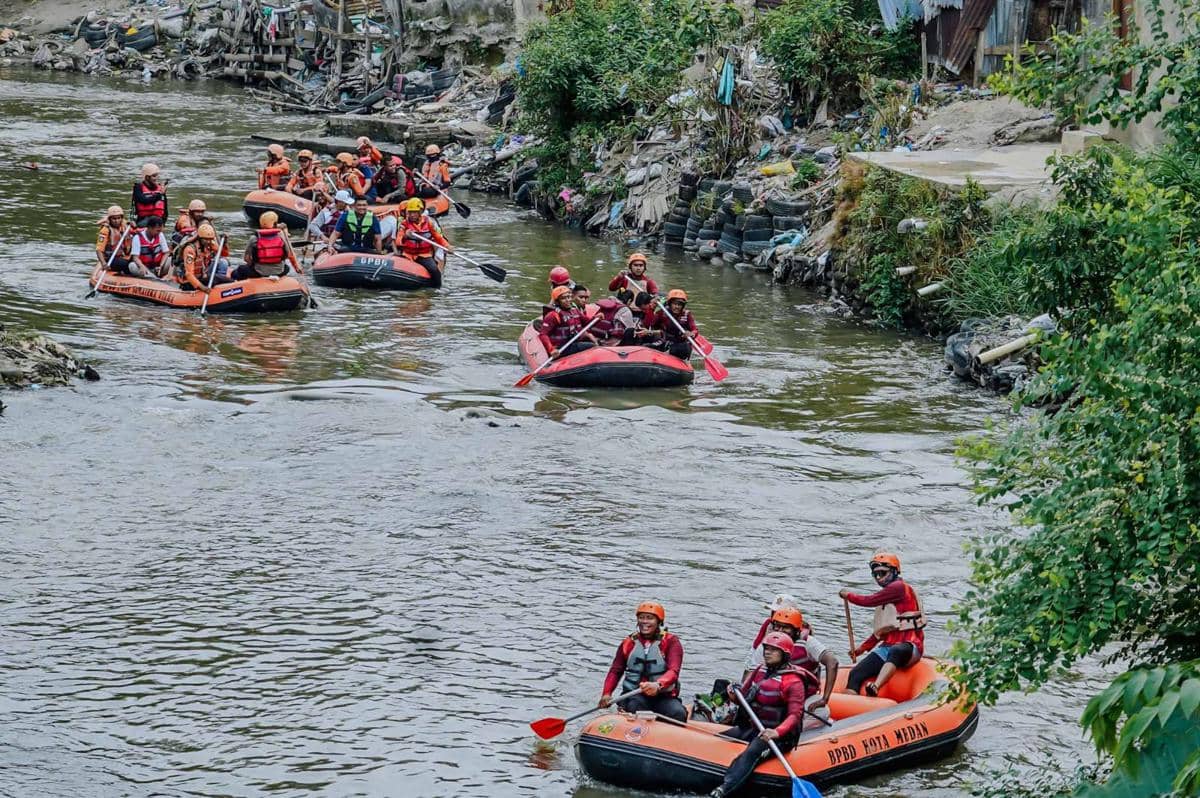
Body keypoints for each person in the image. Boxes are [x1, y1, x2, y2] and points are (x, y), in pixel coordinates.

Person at [708, 632, 818, 798]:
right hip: (756, 728)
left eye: (773, 650)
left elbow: (795, 716)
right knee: (721, 739)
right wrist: (732, 695)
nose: (767, 652)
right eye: (766, 648)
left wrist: (776, 732)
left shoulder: (794, 681)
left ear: (785, 654)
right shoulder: (760, 670)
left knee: (753, 751)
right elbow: (743, 699)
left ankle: (724, 789)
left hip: (780, 736)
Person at [839, 551, 926, 696]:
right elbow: (882, 629)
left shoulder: (898, 588)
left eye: (883, 573)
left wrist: (848, 595)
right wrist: (862, 648)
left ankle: (876, 686)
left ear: (894, 571)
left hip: (910, 646)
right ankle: (852, 708)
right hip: (888, 646)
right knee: (856, 673)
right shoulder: (886, 598)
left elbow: (868, 601)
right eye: (876, 575)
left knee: (897, 650)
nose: (879, 578)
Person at [743, 605, 839, 730]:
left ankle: (790, 731)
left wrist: (825, 699)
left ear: (796, 630)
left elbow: (833, 662)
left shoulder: (808, 643)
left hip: (802, 697)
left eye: (786, 627)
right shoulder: (766, 646)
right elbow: (750, 677)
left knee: (822, 712)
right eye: (777, 626)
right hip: (773, 697)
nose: (780, 630)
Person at [599, 602, 687, 723]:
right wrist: (606, 693)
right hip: (634, 695)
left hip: (663, 696)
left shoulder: (671, 642)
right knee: (636, 707)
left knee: (678, 713)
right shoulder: (628, 643)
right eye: (641, 617)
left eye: (649, 618)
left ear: (659, 622)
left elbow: (674, 671)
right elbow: (616, 670)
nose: (644, 622)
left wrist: (658, 684)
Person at [539, 285, 597, 358]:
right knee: (592, 346)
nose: (568, 300)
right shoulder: (553, 315)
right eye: (563, 298)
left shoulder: (575, 311)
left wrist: (596, 317)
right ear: (557, 302)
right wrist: (551, 349)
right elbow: (543, 335)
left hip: (572, 343)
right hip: (561, 348)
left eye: (568, 297)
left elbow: (588, 323)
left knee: (593, 341)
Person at [395, 198, 450, 271]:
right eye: (410, 212)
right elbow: (398, 241)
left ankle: (437, 281)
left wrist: (447, 246)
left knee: (434, 270)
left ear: (420, 212)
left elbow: (438, 237)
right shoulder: (404, 224)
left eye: (414, 212)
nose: (411, 215)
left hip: (424, 254)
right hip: (408, 254)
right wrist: (405, 236)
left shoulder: (428, 223)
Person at [236, 211, 289, 280]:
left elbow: (246, 259)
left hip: (258, 272)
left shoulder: (254, 238)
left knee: (240, 269)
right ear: (275, 224)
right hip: (279, 272)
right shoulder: (281, 237)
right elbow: (287, 255)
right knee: (287, 268)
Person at [177, 223, 230, 289]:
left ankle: (222, 288)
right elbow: (189, 274)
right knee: (216, 278)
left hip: (203, 276)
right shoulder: (190, 250)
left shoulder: (210, 244)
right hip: (190, 281)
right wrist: (202, 288)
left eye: (210, 239)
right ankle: (229, 283)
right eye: (206, 239)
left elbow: (224, 254)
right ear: (200, 238)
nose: (208, 241)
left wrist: (225, 243)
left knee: (223, 262)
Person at [653, 289, 700, 359]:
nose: (677, 307)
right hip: (665, 341)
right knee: (648, 345)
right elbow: (651, 324)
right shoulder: (662, 313)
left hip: (680, 344)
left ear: (683, 306)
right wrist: (651, 308)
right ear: (670, 304)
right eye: (675, 304)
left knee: (684, 348)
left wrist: (691, 333)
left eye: (679, 304)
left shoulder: (687, 314)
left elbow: (695, 330)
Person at [96, 205, 133, 272]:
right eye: (114, 219)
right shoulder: (106, 230)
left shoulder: (125, 226)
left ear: (121, 218)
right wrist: (104, 263)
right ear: (110, 219)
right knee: (126, 264)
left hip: (122, 255)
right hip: (110, 259)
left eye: (118, 218)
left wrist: (134, 226)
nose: (116, 221)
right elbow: (99, 250)